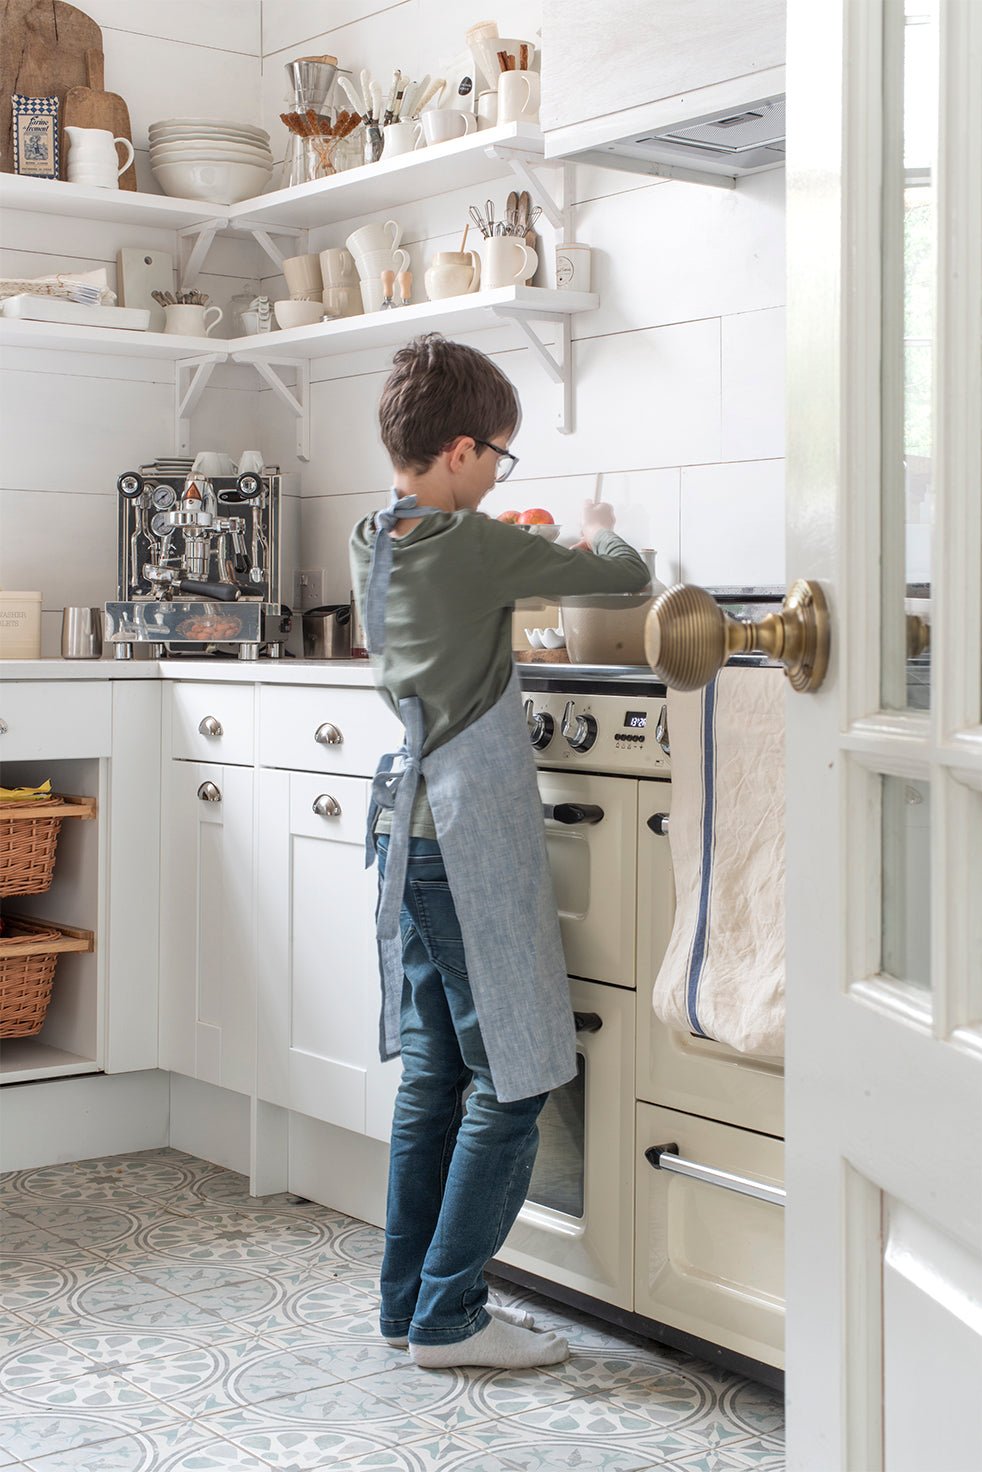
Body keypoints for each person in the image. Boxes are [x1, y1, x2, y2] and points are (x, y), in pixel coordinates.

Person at [349, 333, 650, 1370]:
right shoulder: (471, 541)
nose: (496, 475)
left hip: (407, 828)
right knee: (514, 1080)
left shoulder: (374, 533)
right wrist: (599, 526)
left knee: (434, 1078)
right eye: (501, 458)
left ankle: (407, 1304)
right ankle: (450, 1316)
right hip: (459, 833)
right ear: (467, 450)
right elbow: (619, 575)